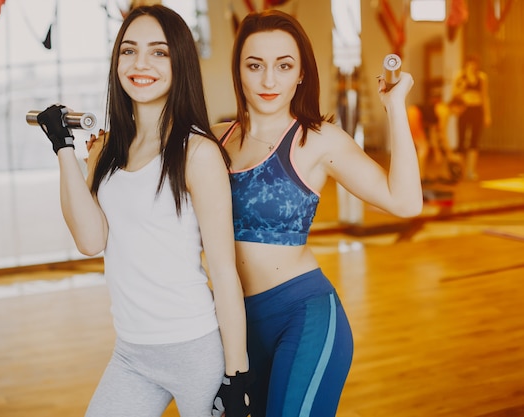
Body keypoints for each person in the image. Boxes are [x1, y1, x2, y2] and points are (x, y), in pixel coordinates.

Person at [35, 5, 250, 417]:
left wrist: (237, 375)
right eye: (129, 51)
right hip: (132, 351)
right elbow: (89, 239)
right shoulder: (109, 150)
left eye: (158, 52)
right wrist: (64, 150)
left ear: (179, 62)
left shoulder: (198, 153)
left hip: (194, 348)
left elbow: (224, 271)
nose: (140, 64)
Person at [212, 10, 422, 417]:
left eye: (284, 66)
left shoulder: (317, 140)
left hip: (304, 315)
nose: (269, 80)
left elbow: (405, 202)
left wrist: (395, 107)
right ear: (238, 70)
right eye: (255, 65)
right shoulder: (215, 138)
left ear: (301, 74)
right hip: (235, 322)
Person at [407, 92, 464, 184]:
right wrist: (450, 154)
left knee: (424, 148)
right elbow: (442, 134)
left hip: (413, 113)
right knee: (423, 148)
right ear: (456, 106)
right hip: (414, 114)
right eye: (461, 110)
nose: (460, 113)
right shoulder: (445, 111)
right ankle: (420, 178)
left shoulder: (441, 110)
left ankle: (422, 176)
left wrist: (437, 151)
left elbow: (434, 133)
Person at [451, 54, 491, 180]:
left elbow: (485, 96)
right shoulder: (459, 76)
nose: (472, 66)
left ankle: (471, 171)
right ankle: (458, 171)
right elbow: (454, 94)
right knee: (461, 140)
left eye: (474, 63)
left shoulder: (482, 77)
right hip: (464, 110)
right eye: (470, 63)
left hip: (477, 110)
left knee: (474, 141)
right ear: (466, 64)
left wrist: (487, 114)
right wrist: (463, 85)